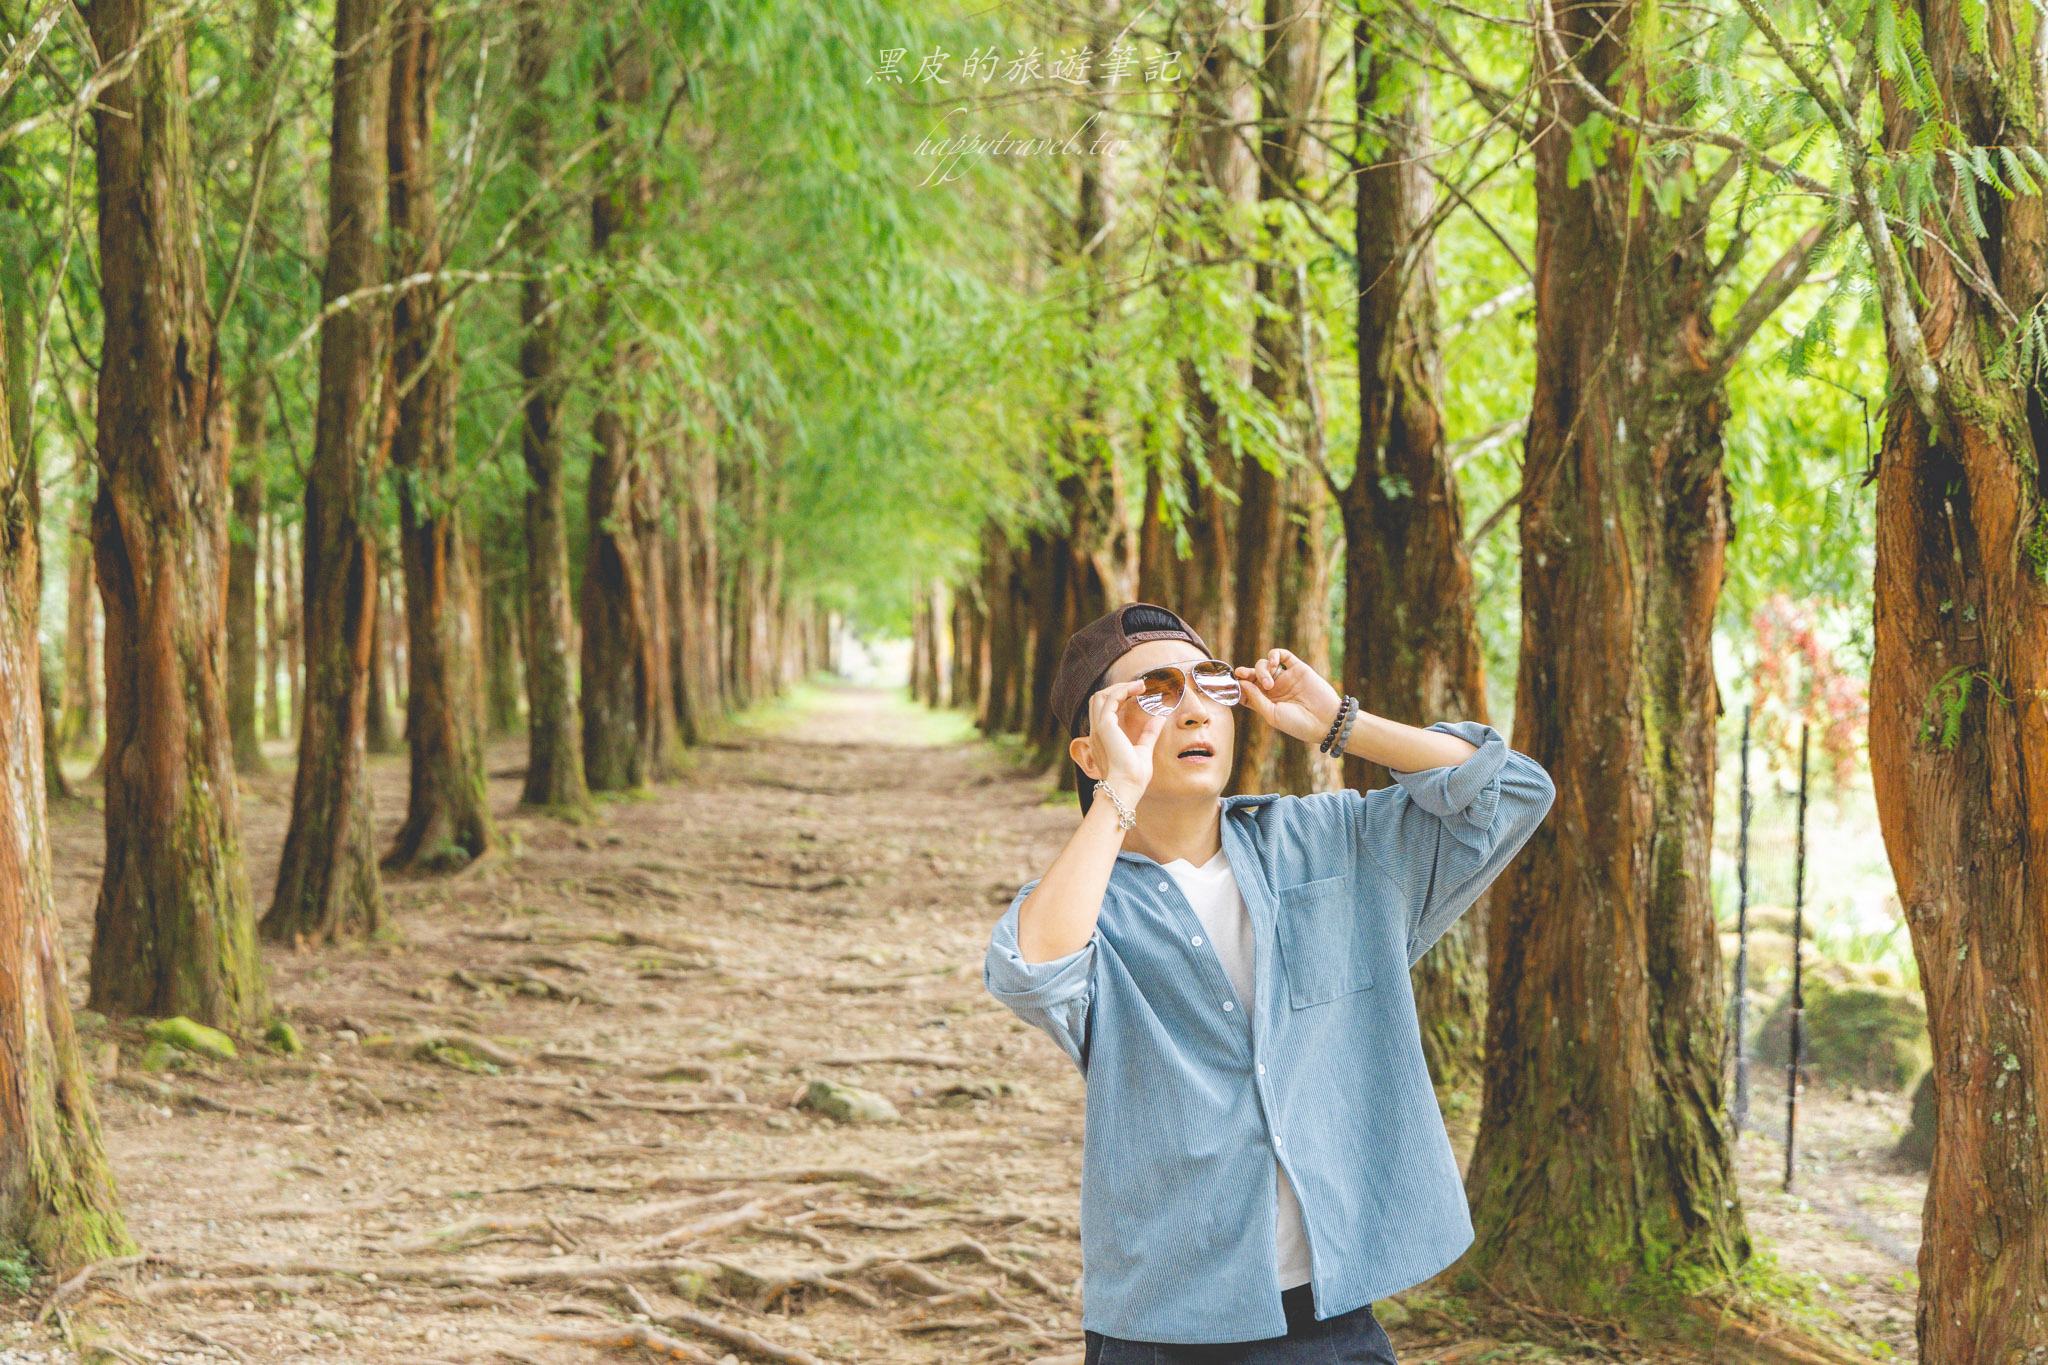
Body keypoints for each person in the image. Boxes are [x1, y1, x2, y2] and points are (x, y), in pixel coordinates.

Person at [982, 602, 1557, 1364]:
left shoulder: (1327, 843)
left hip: (1331, 1311)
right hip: (1164, 1318)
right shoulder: (1089, 901)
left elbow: (1511, 791)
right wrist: (1118, 788)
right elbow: (1031, 972)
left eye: (1207, 683)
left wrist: (1342, 724)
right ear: (1091, 750)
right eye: (1151, 695)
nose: (1191, 709)